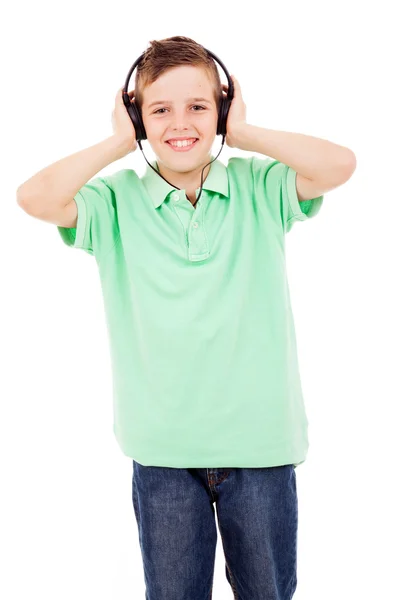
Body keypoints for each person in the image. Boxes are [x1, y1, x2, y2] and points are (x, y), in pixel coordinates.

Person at [16, 35, 356, 600]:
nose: (181, 123)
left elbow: (340, 165)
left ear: (221, 109)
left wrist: (242, 132)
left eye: (199, 107)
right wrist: (118, 142)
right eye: (159, 109)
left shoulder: (260, 185)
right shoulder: (115, 201)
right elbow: (35, 197)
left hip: (262, 447)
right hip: (165, 453)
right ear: (136, 117)